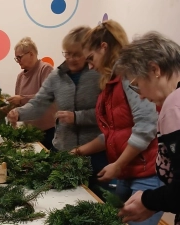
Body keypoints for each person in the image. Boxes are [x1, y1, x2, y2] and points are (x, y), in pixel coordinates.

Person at [76, 20, 163, 224]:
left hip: (148, 174)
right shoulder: (111, 82)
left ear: (104, 47)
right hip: (128, 173)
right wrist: (78, 151)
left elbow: (147, 125)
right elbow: (112, 134)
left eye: (91, 58)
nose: (90, 66)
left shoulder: (128, 76)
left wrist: (117, 164)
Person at [6, 26, 109, 198]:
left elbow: (105, 115)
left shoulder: (100, 76)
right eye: (67, 54)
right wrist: (19, 113)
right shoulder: (57, 76)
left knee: (95, 201)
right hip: (63, 150)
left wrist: (76, 117)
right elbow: (39, 102)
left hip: (94, 155)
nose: (71, 59)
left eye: (76, 54)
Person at [115, 32, 180, 225]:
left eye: (136, 85)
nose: (141, 96)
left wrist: (148, 201)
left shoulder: (174, 107)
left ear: (154, 69)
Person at [1, 37, 56, 149]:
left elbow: (48, 97)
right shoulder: (20, 76)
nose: (18, 61)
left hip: (48, 132)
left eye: (19, 57)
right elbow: (19, 104)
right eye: (16, 58)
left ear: (31, 54)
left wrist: (22, 99)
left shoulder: (45, 69)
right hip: (30, 132)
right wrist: (7, 109)